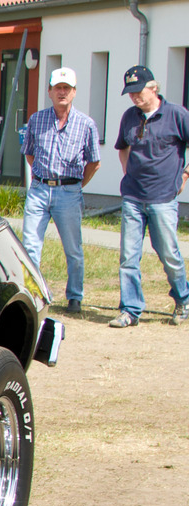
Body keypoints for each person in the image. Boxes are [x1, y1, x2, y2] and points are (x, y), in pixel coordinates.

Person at [111, 65, 189, 327]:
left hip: (163, 198)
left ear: (154, 88)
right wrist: (127, 171)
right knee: (128, 257)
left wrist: (185, 175)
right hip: (133, 197)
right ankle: (130, 310)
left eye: (138, 91)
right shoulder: (129, 116)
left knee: (169, 254)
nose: (134, 97)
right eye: (130, 92)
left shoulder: (177, 115)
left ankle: (183, 298)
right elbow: (122, 147)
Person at [20, 67, 101, 315]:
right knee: (30, 246)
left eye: (67, 88)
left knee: (73, 249)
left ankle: (74, 297)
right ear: (49, 91)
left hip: (69, 191)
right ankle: (34, 295)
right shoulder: (36, 120)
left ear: (74, 92)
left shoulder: (86, 124)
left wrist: (75, 185)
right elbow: (29, 154)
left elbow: (94, 162)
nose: (62, 92)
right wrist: (44, 178)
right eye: (58, 88)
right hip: (39, 190)